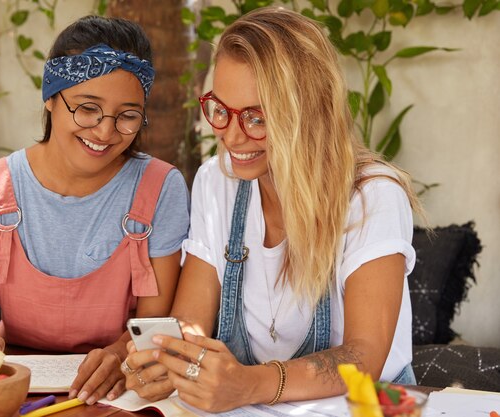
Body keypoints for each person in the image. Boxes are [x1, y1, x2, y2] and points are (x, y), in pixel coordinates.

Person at [120, 7, 424, 412]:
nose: (230, 135)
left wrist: (249, 384)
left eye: (256, 117)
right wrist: (165, 361)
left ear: (308, 111)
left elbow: (363, 357)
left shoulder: (372, 196)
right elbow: (188, 326)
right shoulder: (218, 181)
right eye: (220, 110)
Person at [0, 15, 190, 405]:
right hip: (13, 383)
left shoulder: (160, 188)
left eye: (127, 116)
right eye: (87, 108)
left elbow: (152, 327)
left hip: (118, 388)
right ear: (51, 97)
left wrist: (120, 353)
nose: (105, 132)